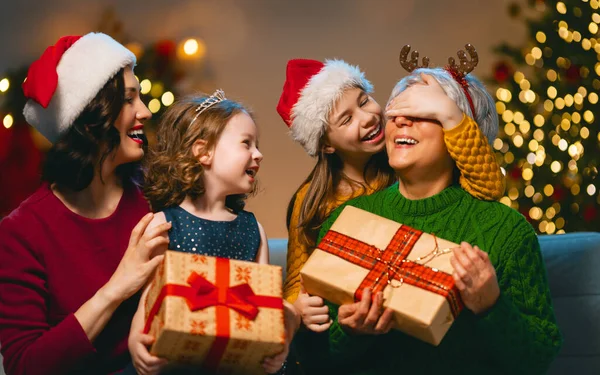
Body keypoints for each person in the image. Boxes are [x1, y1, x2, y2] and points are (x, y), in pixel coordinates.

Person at [294, 48, 562, 375]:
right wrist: (351, 333)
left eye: (422, 113)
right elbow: (312, 360)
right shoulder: (346, 221)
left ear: (457, 133)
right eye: (397, 111)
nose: (402, 120)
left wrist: (492, 306)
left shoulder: (506, 231)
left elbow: (537, 359)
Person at [276, 57, 505, 333]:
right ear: (326, 145)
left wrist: (450, 114)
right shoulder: (312, 200)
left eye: (363, 101)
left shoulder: (405, 162)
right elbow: (297, 281)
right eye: (347, 119)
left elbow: (489, 185)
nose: (368, 117)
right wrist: (298, 308)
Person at [0, 33, 170, 374]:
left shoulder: (155, 199)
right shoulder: (22, 232)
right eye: (128, 99)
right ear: (90, 117)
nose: (145, 111)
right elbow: (25, 365)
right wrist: (117, 288)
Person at [127, 91, 300, 375]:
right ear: (203, 151)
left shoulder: (252, 229)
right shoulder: (164, 223)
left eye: (257, 145)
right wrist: (136, 340)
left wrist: (276, 346)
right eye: (247, 143)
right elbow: (149, 297)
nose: (259, 154)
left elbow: (267, 303)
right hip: (182, 361)